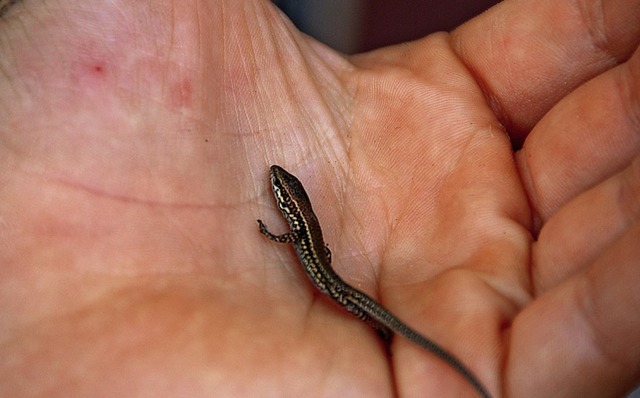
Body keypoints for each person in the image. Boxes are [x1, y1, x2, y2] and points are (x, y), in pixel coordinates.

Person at [0, 0, 638, 396]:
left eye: (280, 193)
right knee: (372, 313)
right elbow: (304, 241)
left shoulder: (298, 236)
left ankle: (399, 336)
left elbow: (299, 244)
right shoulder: (304, 234)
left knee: (362, 307)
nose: (277, 194)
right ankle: (399, 337)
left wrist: (272, 236)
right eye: (281, 193)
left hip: (337, 284)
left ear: (288, 203)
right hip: (331, 277)